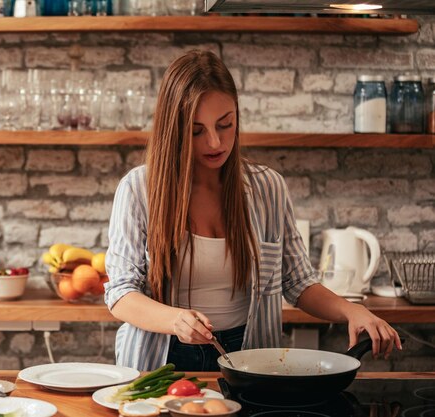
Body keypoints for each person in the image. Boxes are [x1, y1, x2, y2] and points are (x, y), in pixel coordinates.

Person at [104, 50, 402, 372]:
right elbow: (121, 293)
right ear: (173, 130)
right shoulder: (139, 189)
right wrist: (175, 320)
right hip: (161, 357)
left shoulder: (267, 187)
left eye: (225, 124)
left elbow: (298, 281)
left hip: (250, 355)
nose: (215, 142)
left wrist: (352, 311)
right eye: (196, 131)